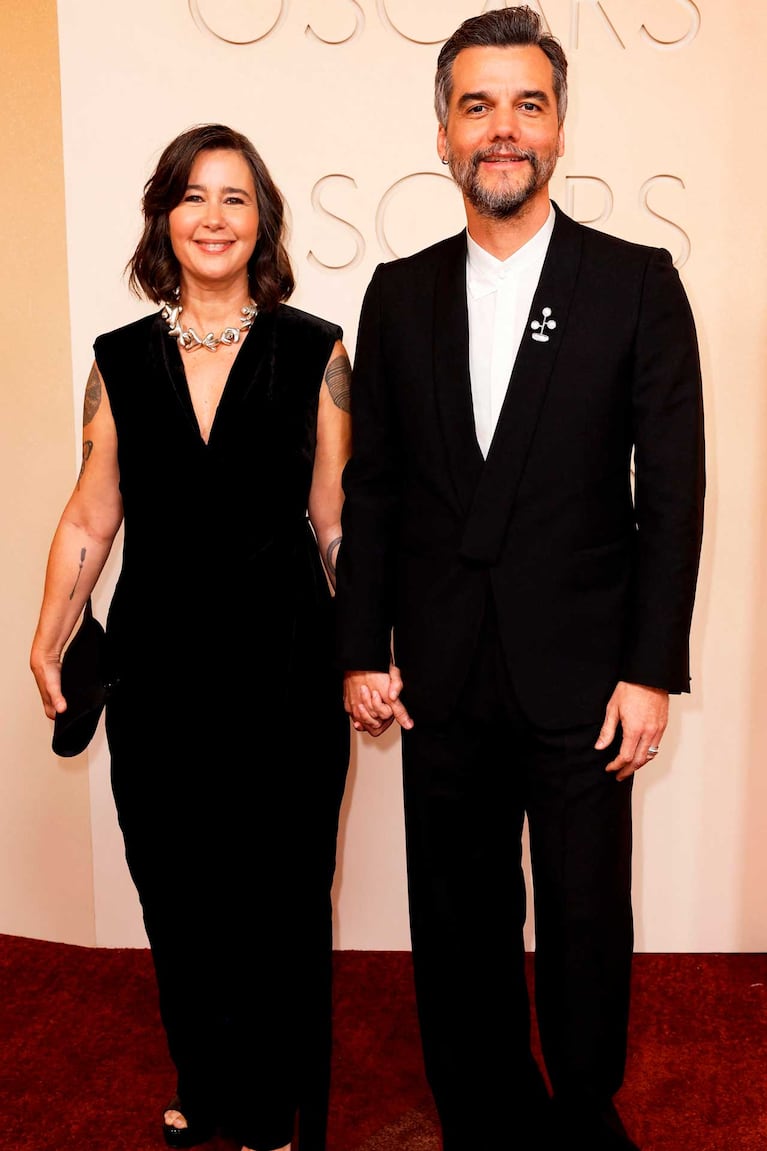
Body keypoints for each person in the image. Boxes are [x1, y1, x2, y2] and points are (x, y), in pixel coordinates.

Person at [335, 8, 704, 1150]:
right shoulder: (397, 294)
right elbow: (376, 489)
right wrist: (361, 643)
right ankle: (484, 1111)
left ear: (559, 128)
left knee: (587, 908)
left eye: (527, 104)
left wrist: (649, 670)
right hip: (439, 665)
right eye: (477, 105)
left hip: (585, 667)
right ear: (441, 133)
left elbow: (672, 494)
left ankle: (584, 1109)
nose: (503, 129)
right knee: (456, 911)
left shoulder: (635, 283)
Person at [30, 123, 352, 1151]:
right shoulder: (119, 360)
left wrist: (367, 648)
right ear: (163, 218)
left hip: (288, 656)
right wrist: (51, 630)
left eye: (235, 198)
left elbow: (337, 517)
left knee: (281, 883)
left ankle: (273, 1092)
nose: (213, 217)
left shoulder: (314, 350)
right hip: (158, 661)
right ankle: (203, 1072)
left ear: (262, 224)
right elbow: (90, 515)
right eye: (193, 197)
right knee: (175, 879)